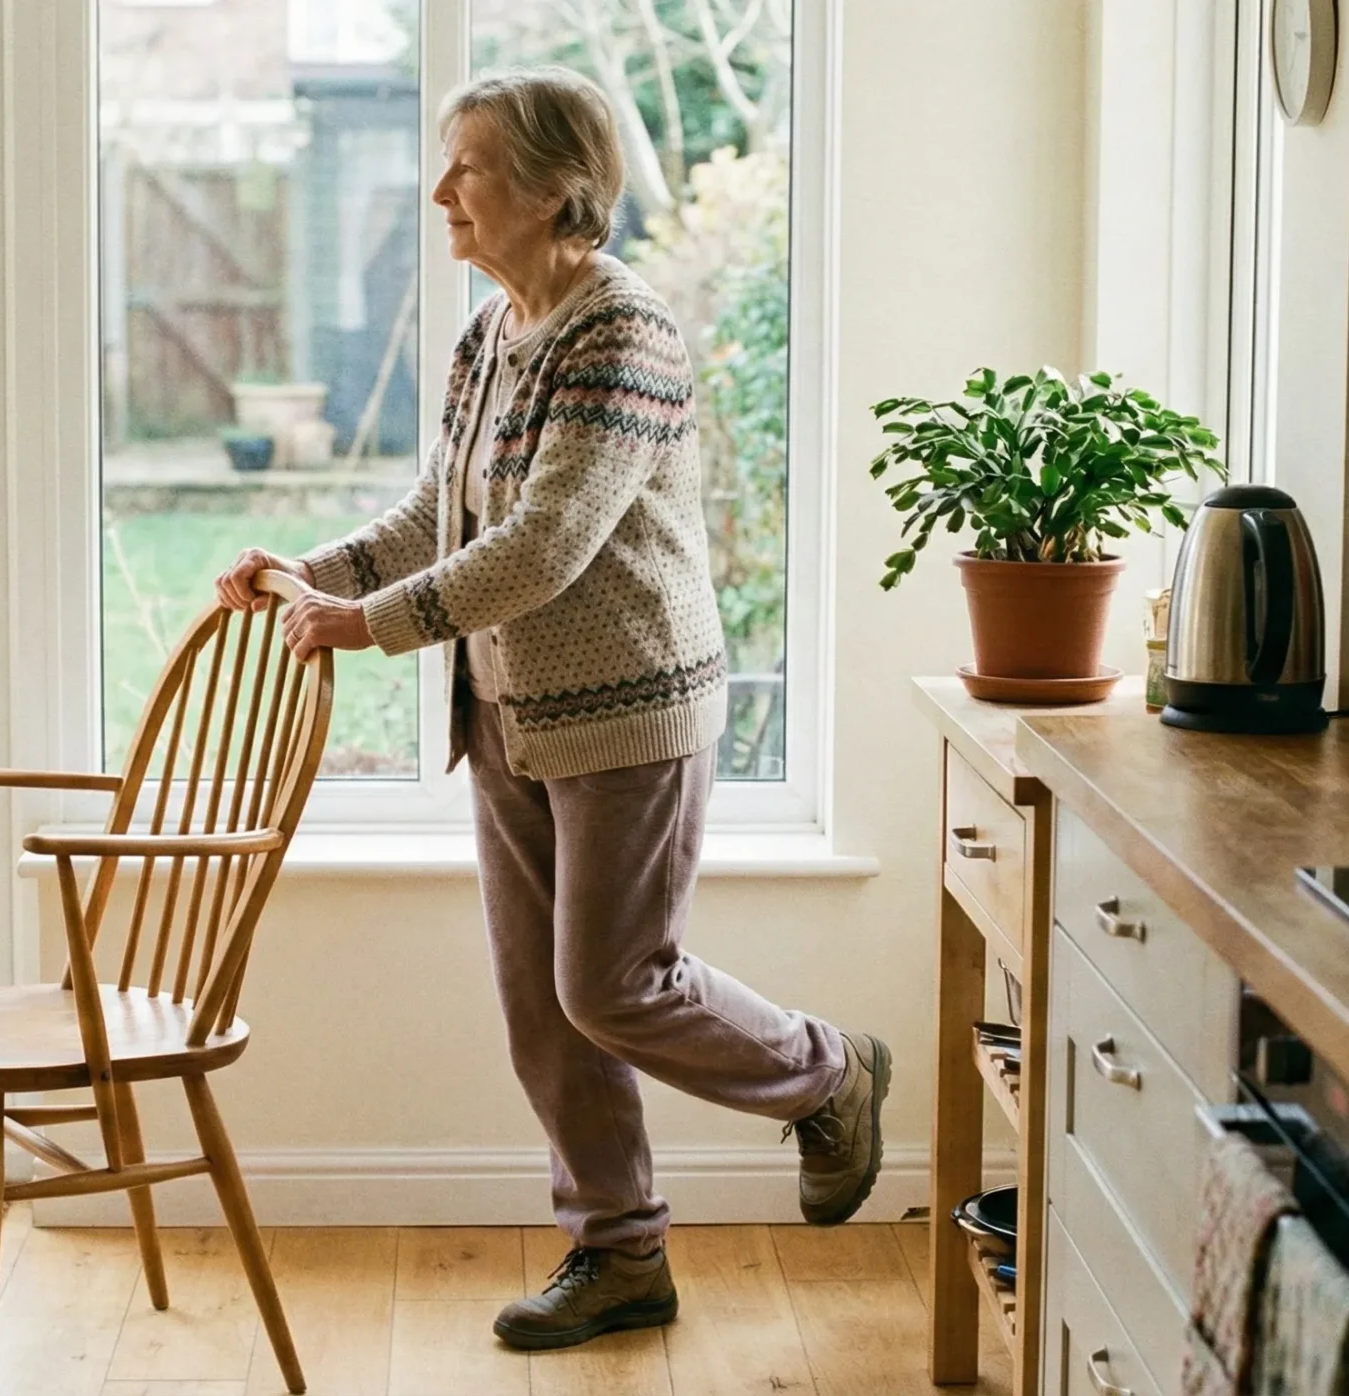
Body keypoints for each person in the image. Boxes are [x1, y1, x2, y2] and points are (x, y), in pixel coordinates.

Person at [213, 66, 887, 1354]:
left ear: (554, 188)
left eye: (465, 167)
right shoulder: (492, 334)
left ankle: (832, 1073)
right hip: (511, 711)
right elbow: (438, 517)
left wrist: (372, 623)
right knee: (543, 1006)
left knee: (613, 985)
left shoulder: (620, 334)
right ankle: (621, 1252)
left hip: (630, 708)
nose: (439, 192)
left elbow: (551, 542)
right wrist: (321, 572)